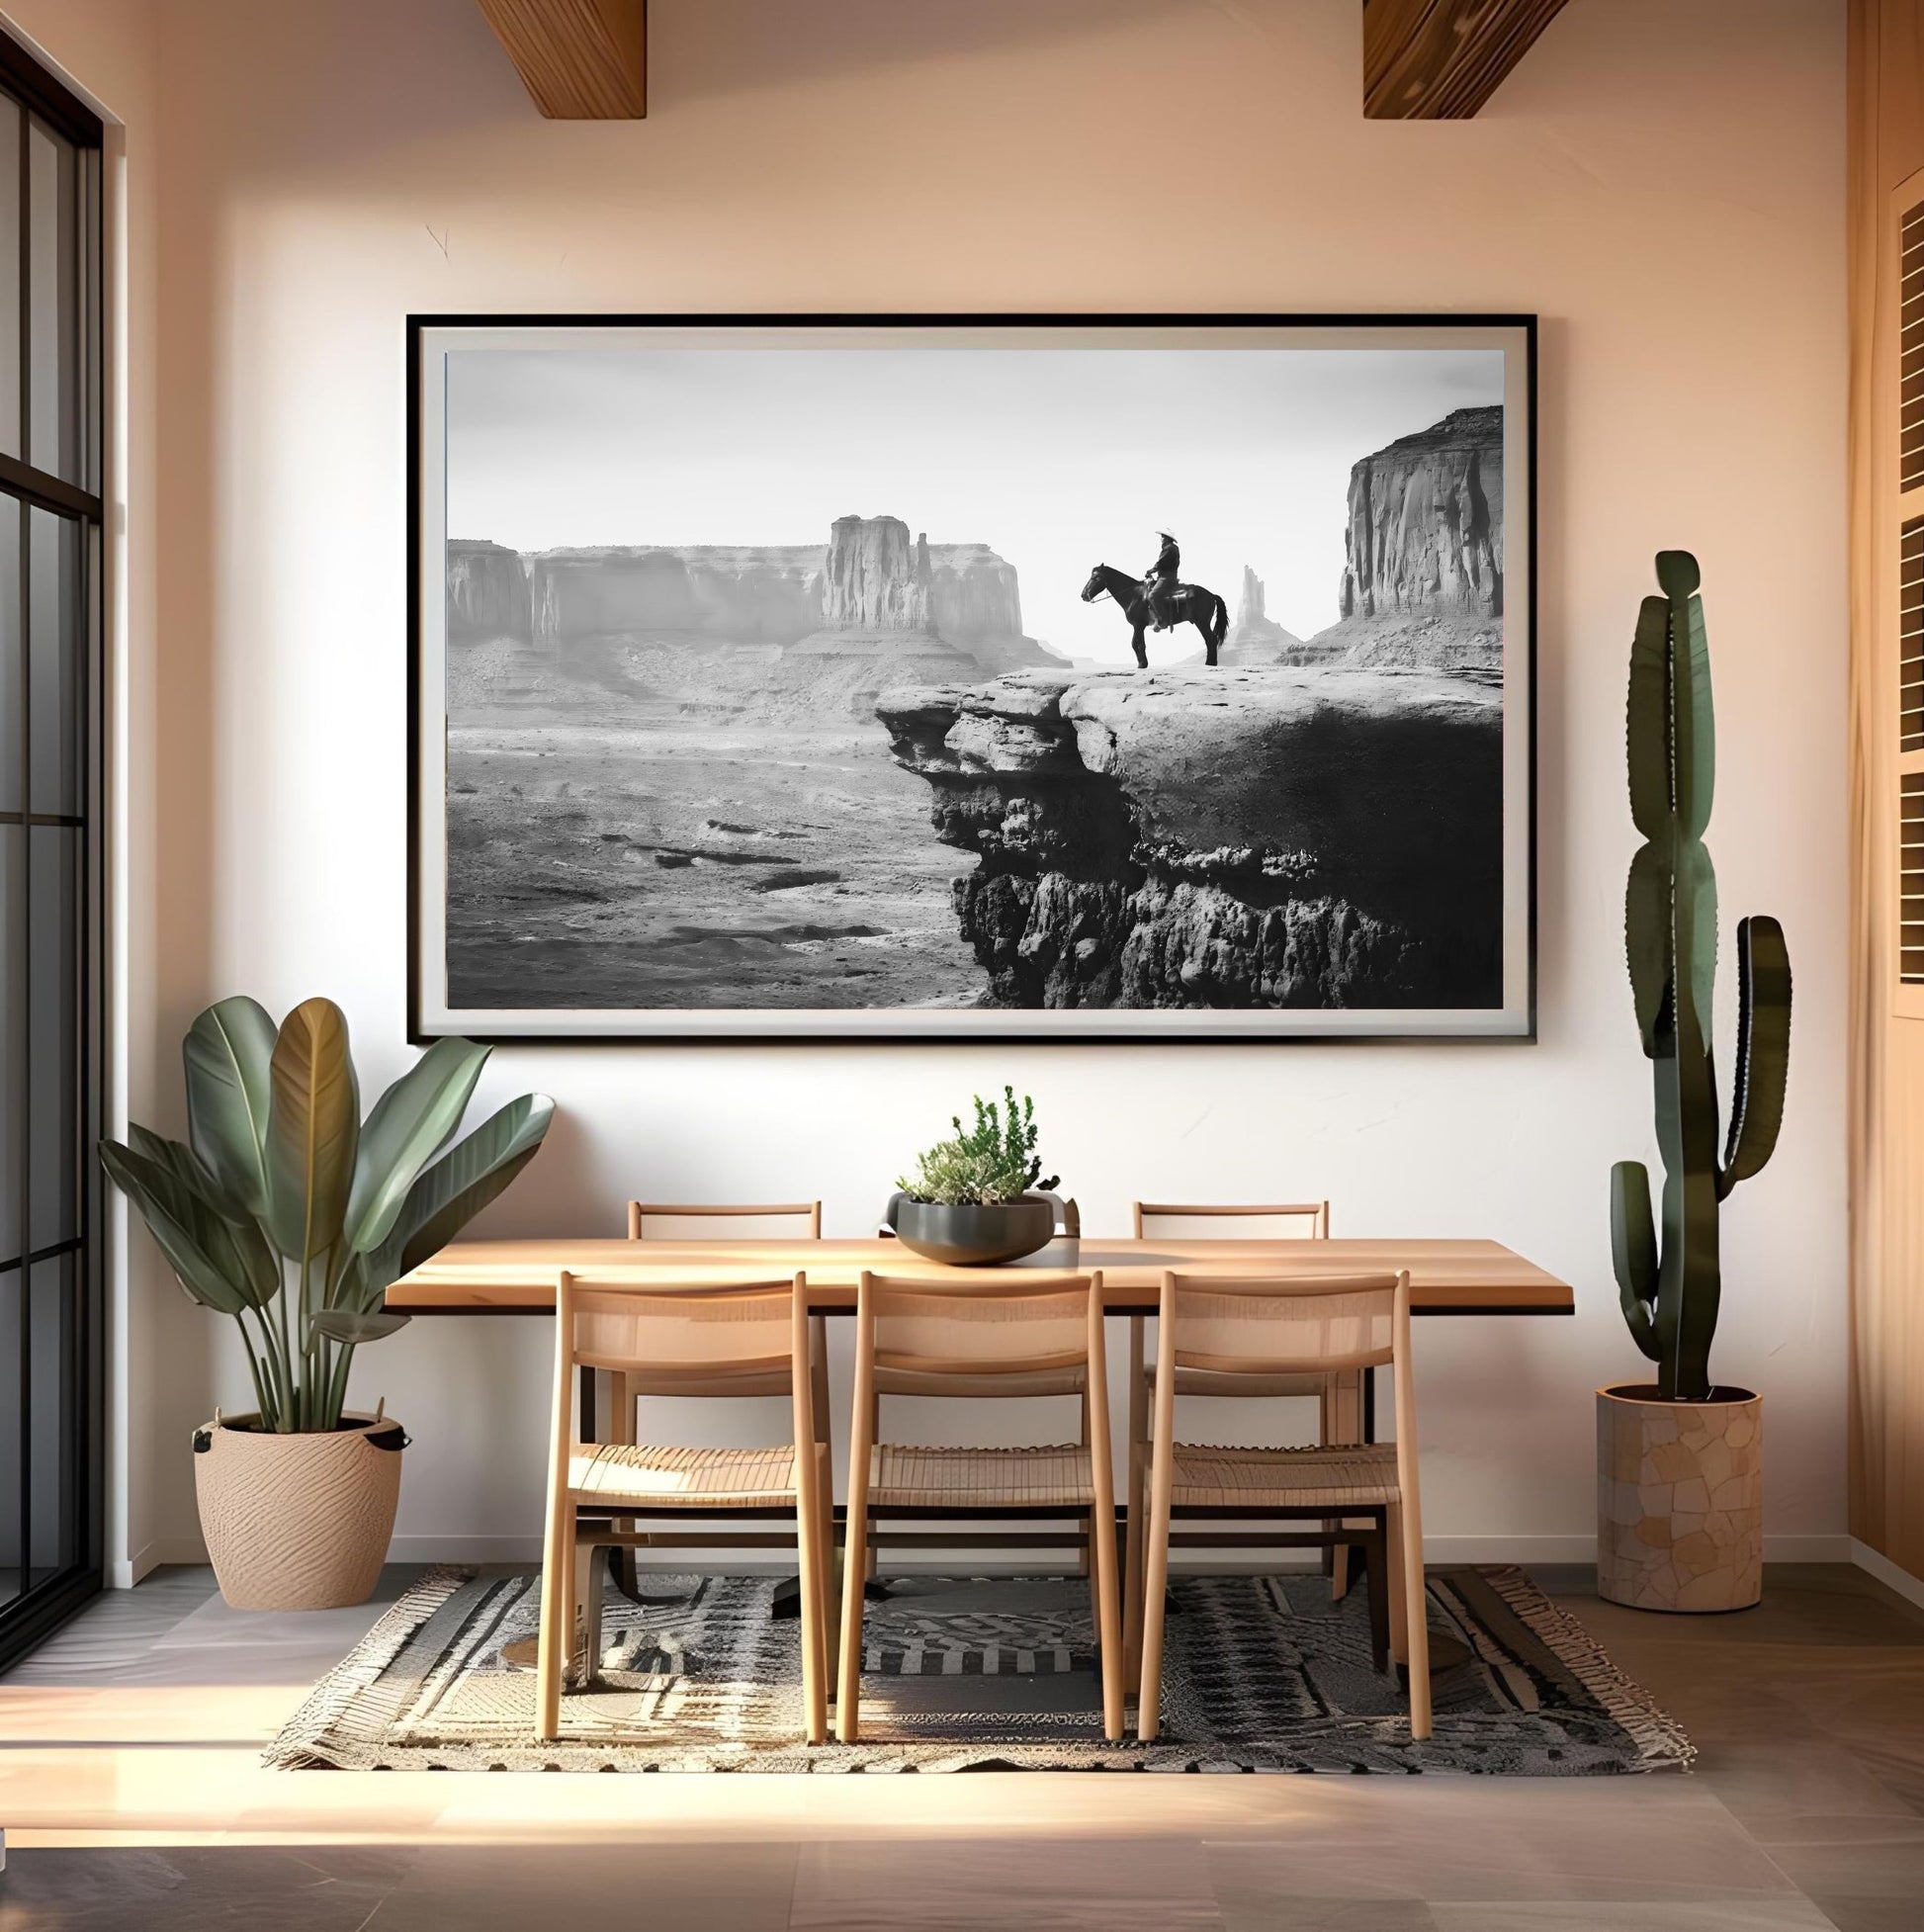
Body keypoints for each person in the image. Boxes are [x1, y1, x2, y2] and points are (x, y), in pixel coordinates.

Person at [1142, 531, 1180, 630]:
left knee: (1152, 596)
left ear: (1167, 538)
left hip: (1166, 578)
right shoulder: (1174, 548)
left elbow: (1160, 563)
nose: (1161, 539)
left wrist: (1150, 571)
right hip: (1171, 576)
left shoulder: (1168, 548)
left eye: (1162, 537)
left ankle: (1163, 621)